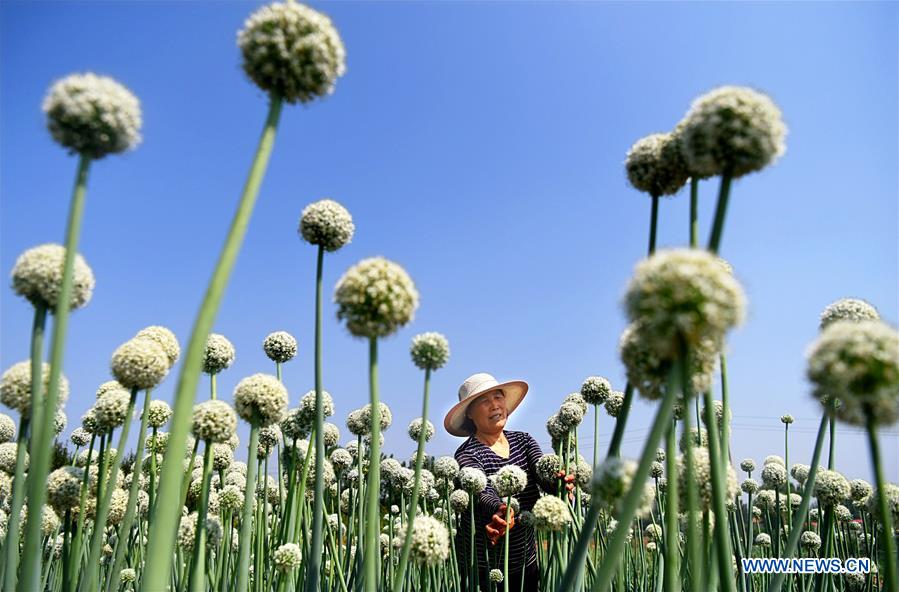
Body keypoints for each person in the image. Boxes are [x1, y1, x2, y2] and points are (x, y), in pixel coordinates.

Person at [444, 373, 573, 592]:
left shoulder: (524, 441)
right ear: (470, 414)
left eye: (498, 397)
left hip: (525, 563)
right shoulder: (467, 454)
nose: (494, 405)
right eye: (484, 401)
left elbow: (541, 472)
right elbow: (480, 490)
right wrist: (500, 509)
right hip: (482, 568)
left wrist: (559, 483)